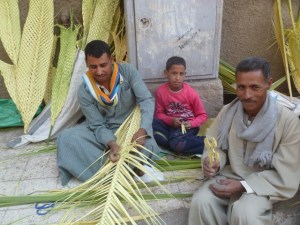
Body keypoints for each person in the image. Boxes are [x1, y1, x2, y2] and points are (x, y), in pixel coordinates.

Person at [188, 57, 300, 225]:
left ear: (268, 84)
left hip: (263, 183)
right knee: (202, 201)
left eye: (255, 87)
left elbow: (285, 173)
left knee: (245, 213)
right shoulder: (228, 112)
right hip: (229, 175)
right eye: (241, 87)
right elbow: (215, 146)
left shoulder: (287, 121)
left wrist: (243, 185)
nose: (247, 95)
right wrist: (214, 162)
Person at [57, 40, 160, 185]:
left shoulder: (127, 72)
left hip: (131, 129)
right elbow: (97, 125)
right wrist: (112, 144)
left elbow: (146, 100)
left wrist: (142, 131)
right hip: (105, 131)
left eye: (103, 65)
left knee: (147, 146)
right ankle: (126, 168)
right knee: (67, 138)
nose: (99, 72)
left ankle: (113, 167)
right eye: (93, 66)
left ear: (111, 60)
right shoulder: (85, 91)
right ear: (86, 64)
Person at [152, 56, 208, 155]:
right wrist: (171, 120)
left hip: (187, 126)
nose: (178, 78)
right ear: (166, 73)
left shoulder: (190, 93)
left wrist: (191, 124)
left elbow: (203, 115)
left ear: (185, 75)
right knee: (151, 123)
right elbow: (159, 114)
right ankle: (180, 144)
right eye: (174, 73)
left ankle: (207, 143)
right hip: (171, 125)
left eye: (181, 74)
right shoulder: (161, 91)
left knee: (175, 142)